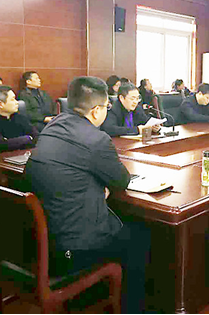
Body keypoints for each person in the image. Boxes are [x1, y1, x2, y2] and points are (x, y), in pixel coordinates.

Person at [26, 76, 150, 313]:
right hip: (73, 250)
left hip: (42, 240)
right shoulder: (96, 139)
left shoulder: (52, 126)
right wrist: (98, 186)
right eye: (106, 107)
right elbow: (122, 181)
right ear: (96, 111)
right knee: (141, 236)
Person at [0, 85, 39, 152]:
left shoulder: (20, 117)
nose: (17, 102)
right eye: (12, 99)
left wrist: (14, 141)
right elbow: (1, 146)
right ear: (1, 104)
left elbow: (36, 136)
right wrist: (27, 138)